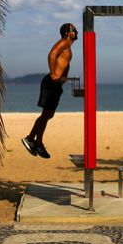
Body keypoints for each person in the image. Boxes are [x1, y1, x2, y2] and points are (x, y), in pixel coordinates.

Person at [22, 23, 78, 159]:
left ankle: (35, 141)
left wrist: (64, 79)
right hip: (51, 83)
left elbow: (60, 63)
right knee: (46, 114)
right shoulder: (63, 42)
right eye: (73, 29)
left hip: (56, 85)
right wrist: (53, 74)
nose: (76, 31)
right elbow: (52, 55)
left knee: (48, 115)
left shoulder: (67, 47)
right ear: (67, 33)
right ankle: (33, 140)